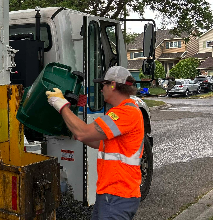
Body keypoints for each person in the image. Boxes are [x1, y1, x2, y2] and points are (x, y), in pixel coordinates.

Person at [47, 66, 145, 220]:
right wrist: (76, 132)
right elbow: (100, 142)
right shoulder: (123, 111)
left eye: (103, 85)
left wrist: (61, 106)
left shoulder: (126, 113)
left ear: (113, 85)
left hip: (117, 195)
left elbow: (84, 132)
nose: (101, 89)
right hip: (110, 194)